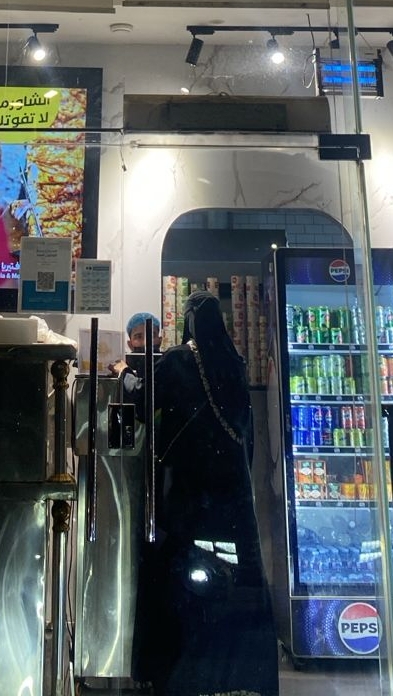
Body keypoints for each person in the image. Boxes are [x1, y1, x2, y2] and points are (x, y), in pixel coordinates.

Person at [133, 290, 277, 696]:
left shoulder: (179, 359)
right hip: (233, 495)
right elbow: (247, 436)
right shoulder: (235, 363)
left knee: (187, 576)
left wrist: (127, 375)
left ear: (190, 320)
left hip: (190, 493)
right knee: (234, 577)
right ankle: (239, 676)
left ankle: (184, 674)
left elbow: (142, 405)